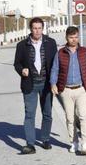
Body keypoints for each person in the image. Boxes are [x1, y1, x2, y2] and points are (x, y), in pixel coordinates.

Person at [50, 26, 86, 155]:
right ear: (66, 38)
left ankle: (85, 143)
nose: (74, 40)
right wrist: (53, 83)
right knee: (70, 118)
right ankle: (74, 142)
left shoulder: (84, 52)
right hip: (66, 90)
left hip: (82, 89)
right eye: (71, 37)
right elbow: (55, 69)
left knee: (83, 116)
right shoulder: (60, 53)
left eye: (76, 37)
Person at [13, 17, 58, 155]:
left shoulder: (51, 43)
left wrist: (55, 82)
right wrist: (22, 70)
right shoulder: (22, 45)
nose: (37, 31)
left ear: (42, 29)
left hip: (46, 84)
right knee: (29, 114)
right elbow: (17, 63)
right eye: (34, 28)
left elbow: (56, 64)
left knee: (47, 114)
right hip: (30, 84)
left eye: (39, 28)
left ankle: (45, 139)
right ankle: (30, 144)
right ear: (30, 29)